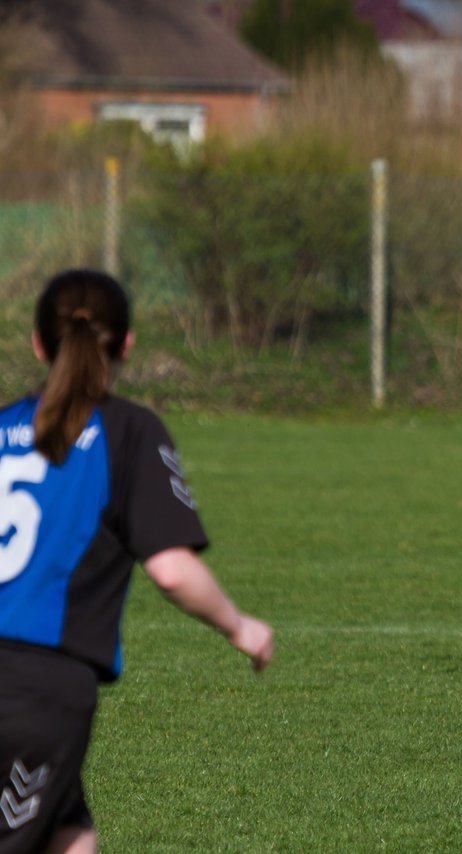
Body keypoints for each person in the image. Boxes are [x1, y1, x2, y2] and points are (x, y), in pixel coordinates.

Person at [0, 269, 274, 854]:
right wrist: (240, 625)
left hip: (29, 701)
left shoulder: (1, 428)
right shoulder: (126, 430)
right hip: (35, 697)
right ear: (127, 344)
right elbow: (171, 568)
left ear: (38, 344)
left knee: (73, 840)